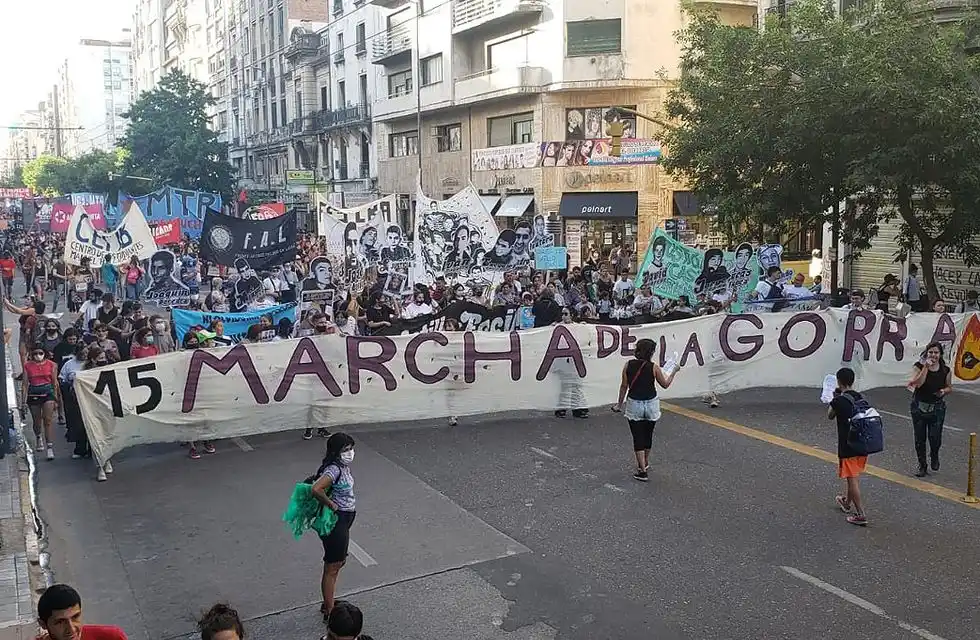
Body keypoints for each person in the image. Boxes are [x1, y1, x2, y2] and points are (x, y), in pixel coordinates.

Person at [613, 338, 680, 482]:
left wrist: (619, 404)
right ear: (651, 352)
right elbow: (665, 384)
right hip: (651, 404)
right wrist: (674, 371)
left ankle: (642, 470)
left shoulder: (628, 365)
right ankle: (645, 462)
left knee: (637, 436)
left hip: (634, 404)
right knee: (648, 435)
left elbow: (624, 386)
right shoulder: (654, 367)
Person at [310, 433, 357, 621]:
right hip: (337, 520)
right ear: (335, 452)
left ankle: (328, 601)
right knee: (333, 565)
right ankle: (330, 611)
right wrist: (331, 504)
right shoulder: (334, 469)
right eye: (345, 450)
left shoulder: (343, 467)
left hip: (345, 518)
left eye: (351, 448)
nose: (350, 453)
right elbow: (316, 488)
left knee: (338, 562)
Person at [828, 367, 869, 526]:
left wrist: (834, 398)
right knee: (853, 476)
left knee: (852, 479)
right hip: (863, 443)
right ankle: (846, 503)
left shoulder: (839, 400)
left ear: (839, 382)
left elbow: (830, 415)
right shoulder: (861, 397)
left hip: (848, 445)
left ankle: (861, 514)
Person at [907, 342, 952, 477]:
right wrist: (926, 367)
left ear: (940, 355)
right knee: (919, 438)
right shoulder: (918, 366)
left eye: (936, 352)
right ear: (926, 353)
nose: (933, 355)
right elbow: (918, 384)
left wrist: (943, 391)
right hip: (919, 407)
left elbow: (949, 387)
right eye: (930, 352)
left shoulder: (945, 370)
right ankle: (922, 465)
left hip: (937, 408)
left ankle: (934, 454)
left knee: (935, 437)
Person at [36, 584, 128, 640]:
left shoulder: (111, 637)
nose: (72, 629)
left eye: (75, 617)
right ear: (43, 624)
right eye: (60, 622)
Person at [23, 344, 61, 460]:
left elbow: (54, 382)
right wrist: (23, 401)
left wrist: (56, 399)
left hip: (48, 393)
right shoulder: (27, 365)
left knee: (48, 420)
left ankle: (49, 446)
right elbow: (25, 384)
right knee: (37, 421)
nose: (38, 356)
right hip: (34, 393)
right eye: (35, 354)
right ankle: (38, 436)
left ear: (44, 354)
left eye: (40, 353)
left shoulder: (52, 365)